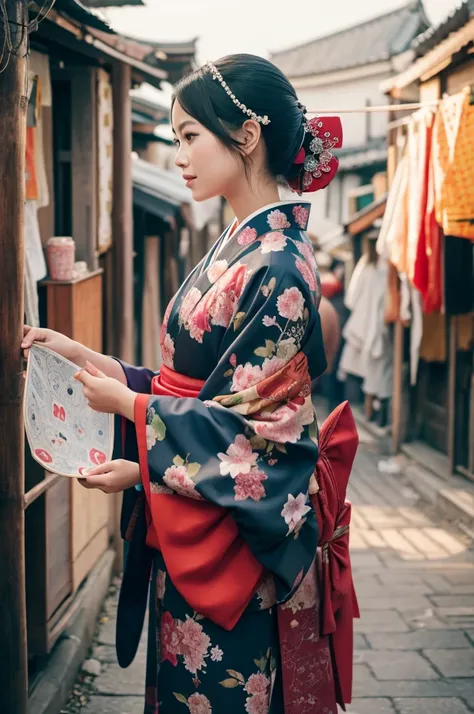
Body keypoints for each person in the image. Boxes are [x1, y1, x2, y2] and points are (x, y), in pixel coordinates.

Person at [22, 55, 358, 714]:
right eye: (175, 138)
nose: (178, 155)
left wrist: (135, 421)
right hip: (198, 525)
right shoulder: (239, 246)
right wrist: (93, 362)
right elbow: (198, 391)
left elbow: (259, 437)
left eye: (189, 136)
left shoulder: (279, 267)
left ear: (247, 136)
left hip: (235, 556)